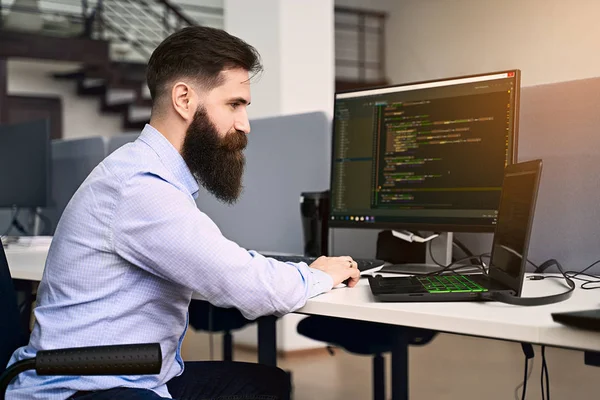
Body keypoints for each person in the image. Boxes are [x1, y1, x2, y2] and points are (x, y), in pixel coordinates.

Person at [6, 26, 360, 400]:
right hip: (78, 389)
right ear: (184, 99)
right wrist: (317, 274)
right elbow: (246, 285)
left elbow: (220, 263)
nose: (245, 123)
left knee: (263, 385)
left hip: (133, 373)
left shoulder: (146, 173)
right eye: (234, 104)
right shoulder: (140, 187)